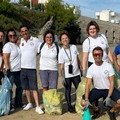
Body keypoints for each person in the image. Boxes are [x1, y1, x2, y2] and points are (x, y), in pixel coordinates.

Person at [81, 46, 120, 120]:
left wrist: (108, 97)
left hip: (108, 89)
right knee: (83, 102)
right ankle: (97, 109)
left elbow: (112, 82)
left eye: (99, 54)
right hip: (97, 90)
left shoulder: (108, 66)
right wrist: (86, 99)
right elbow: (88, 84)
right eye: (95, 55)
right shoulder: (91, 68)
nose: (97, 56)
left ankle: (111, 111)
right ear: (93, 56)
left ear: (102, 55)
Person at [19, 25, 44, 114]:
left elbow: (42, 47)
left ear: (28, 31)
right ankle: (29, 103)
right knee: (26, 88)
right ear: (20, 33)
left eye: (25, 30)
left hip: (31, 68)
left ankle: (37, 106)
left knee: (34, 88)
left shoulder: (35, 40)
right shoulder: (20, 41)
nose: (24, 32)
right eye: (22, 31)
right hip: (22, 68)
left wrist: (36, 54)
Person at [58, 31, 81, 113]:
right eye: (62, 39)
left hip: (76, 73)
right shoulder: (61, 52)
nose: (64, 40)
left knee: (79, 89)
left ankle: (78, 104)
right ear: (60, 41)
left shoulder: (74, 47)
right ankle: (69, 106)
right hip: (67, 75)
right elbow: (61, 66)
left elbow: (77, 58)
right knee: (68, 90)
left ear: (69, 39)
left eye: (66, 38)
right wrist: (62, 78)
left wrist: (81, 68)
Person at [3, 28, 23, 111]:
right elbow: (5, 58)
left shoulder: (16, 45)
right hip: (10, 71)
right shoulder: (7, 45)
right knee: (9, 89)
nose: (12, 37)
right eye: (10, 35)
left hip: (18, 71)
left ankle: (18, 103)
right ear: (8, 37)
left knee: (20, 87)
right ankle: (9, 105)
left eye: (14, 35)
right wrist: (7, 69)